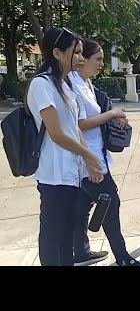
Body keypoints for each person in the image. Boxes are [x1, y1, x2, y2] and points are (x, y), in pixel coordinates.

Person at [26, 27, 104, 266]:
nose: (81, 58)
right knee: (52, 236)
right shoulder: (42, 85)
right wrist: (88, 153)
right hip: (54, 174)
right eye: (77, 52)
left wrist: (88, 161)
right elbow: (57, 134)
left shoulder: (66, 84)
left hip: (71, 172)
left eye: (82, 53)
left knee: (68, 235)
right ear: (58, 53)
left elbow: (75, 128)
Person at [70, 39, 140, 266]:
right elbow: (80, 124)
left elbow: (102, 107)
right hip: (87, 158)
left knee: (81, 207)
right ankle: (122, 258)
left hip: (97, 155)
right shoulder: (72, 85)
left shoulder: (87, 84)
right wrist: (112, 114)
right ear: (82, 61)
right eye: (98, 59)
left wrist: (115, 112)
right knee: (111, 202)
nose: (102, 63)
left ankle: (80, 252)